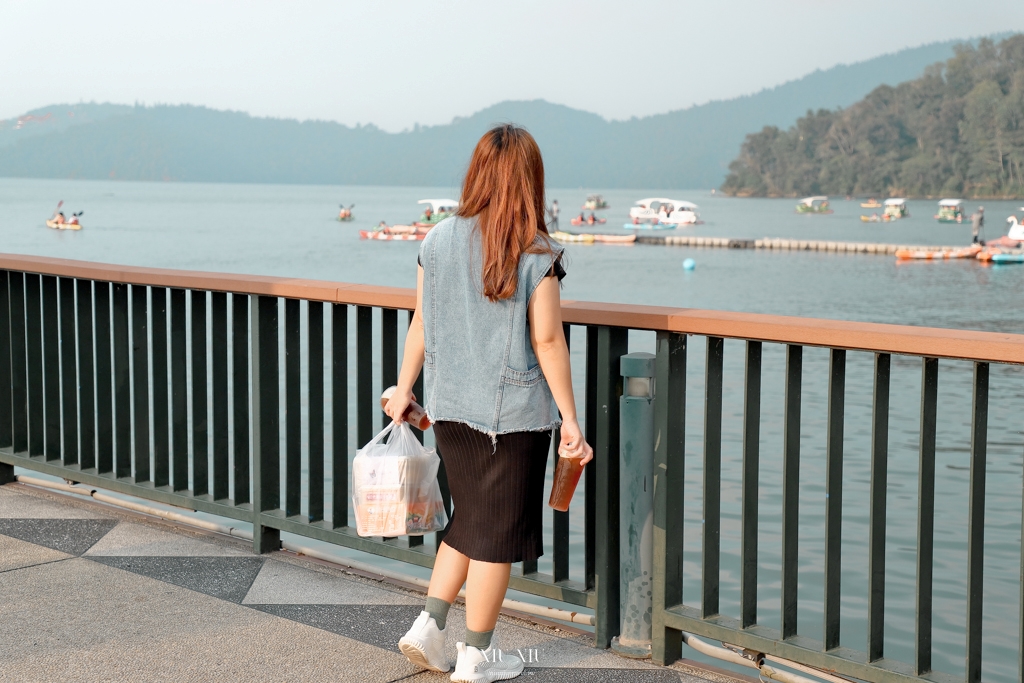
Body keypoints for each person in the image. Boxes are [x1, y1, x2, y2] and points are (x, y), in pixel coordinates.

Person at [386, 124, 592, 681]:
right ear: (530, 181)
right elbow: (547, 341)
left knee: (472, 519)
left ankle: (428, 628)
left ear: (477, 173)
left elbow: (421, 323)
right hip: (513, 415)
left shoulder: (437, 240)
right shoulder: (536, 251)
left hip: (449, 408)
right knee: (497, 536)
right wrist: (570, 419)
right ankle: (475, 657)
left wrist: (405, 389)